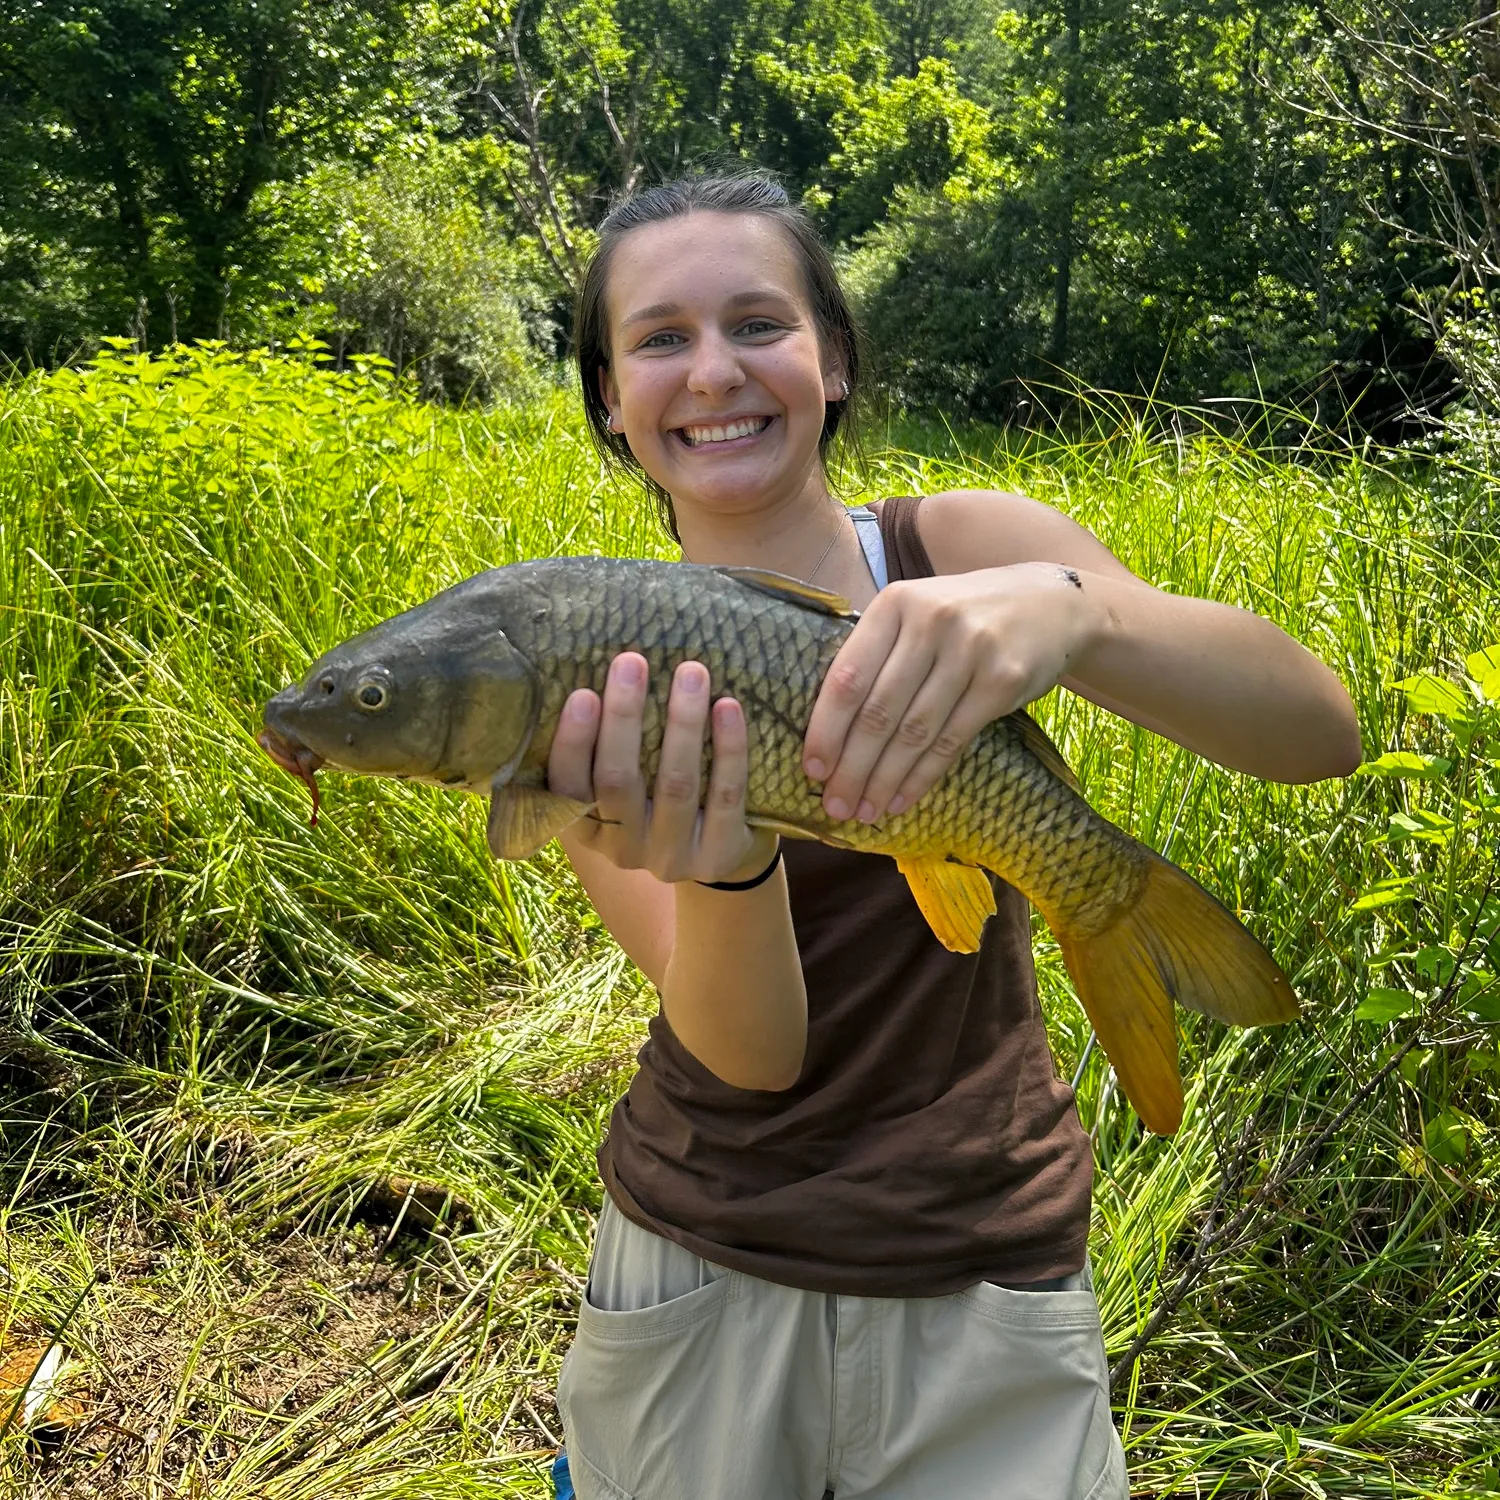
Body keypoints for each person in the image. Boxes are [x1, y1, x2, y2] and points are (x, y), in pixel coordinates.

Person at [543, 172, 1362, 1500]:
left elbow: (1316, 733)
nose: (712, 372)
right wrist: (732, 862)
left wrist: (1075, 610)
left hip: (986, 1253)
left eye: (759, 323)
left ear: (836, 357)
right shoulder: (593, 677)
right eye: (657, 339)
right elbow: (749, 1054)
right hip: (705, 1252)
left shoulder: (961, 547)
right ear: (607, 399)